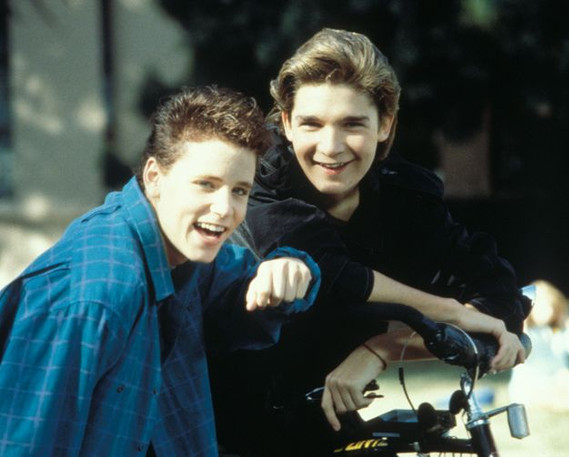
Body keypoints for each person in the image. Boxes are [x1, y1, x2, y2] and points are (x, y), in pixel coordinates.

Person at [207, 28, 530, 456]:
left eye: (352, 124)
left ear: (385, 125)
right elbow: (335, 275)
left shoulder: (405, 195)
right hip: (217, 423)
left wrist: (382, 348)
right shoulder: (259, 185)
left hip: (321, 413)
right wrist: (452, 313)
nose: (331, 146)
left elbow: (498, 297)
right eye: (311, 124)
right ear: (285, 123)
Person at [0, 86, 320, 456]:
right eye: (206, 184)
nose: (224, 209)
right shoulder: (97, 293)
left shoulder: (185, 252)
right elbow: (25, 445)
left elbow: (248, 295)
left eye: (239, 191)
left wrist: (291, 265)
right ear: (154, 176)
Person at [508, 279, 569, 415]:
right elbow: (522, 348)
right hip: (532, 387)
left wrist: (568, 320)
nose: (549, 312)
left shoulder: (556, 333)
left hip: (559, 382)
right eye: (544, 307)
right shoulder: (525, 333)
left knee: (564, 375)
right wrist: (523, 320)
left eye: (552, 307)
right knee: (549, 395)